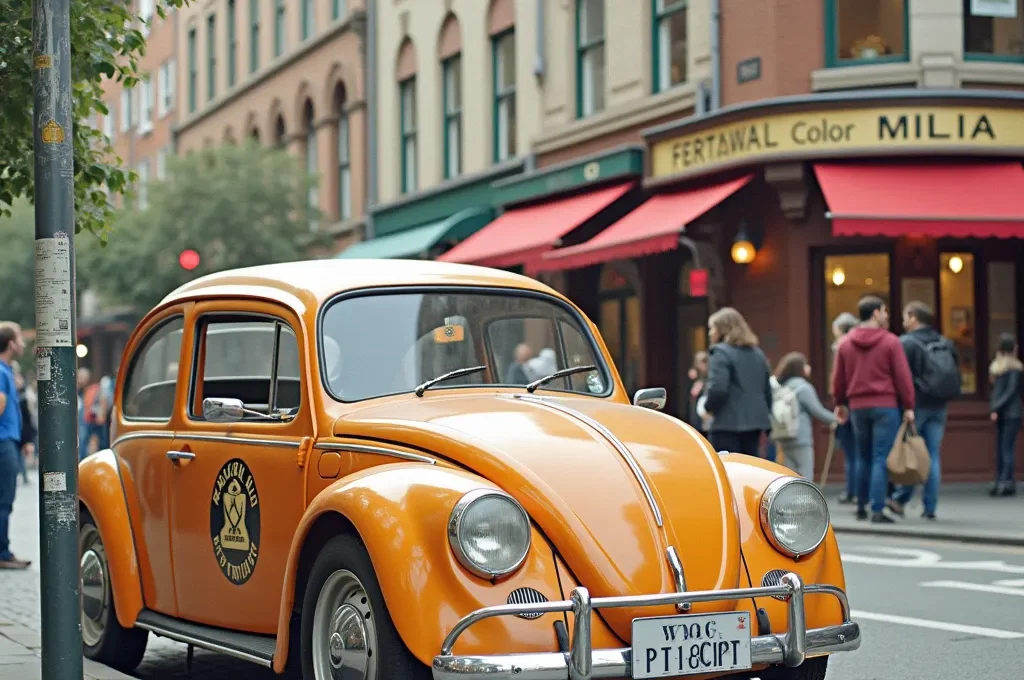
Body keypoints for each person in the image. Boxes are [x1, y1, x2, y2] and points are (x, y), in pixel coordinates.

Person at [832, 296, 915, 524]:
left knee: (862, 456)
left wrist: (840, 403)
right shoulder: (890, 342)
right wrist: (909, 405)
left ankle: (860, 506)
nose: (887, 315)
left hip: (857, 407)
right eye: (884, 311)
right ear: (876, 313)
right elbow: (902, 377)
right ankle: (877, 508)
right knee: (880, 457)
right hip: (885, 405)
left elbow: (838, 378)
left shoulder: (846, 344)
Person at [889, 301, 961, 519]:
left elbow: (901, 376)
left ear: (913, 317)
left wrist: (905, 405)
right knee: (932, 455)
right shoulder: (945, 342)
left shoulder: (906, 343)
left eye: (905, 316)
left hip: (915, 405)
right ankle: (930, 507)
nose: (903, 321)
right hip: (939, 405)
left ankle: (901, 497)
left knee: (912, 451)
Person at [703, 308, 772, 456]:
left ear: (723, 329)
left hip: (726, 424)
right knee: (750, 466)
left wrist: (707, 407)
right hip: (755, 423)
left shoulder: (719, 352)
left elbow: (718, 389)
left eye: (712, 328)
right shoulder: (758, 354)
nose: (710, 333)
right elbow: (767, 390)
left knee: (726, 467)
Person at [773, 352, 838, 480]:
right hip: (801, 437)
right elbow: (817, 411)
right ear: (799, 368)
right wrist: (836, 419)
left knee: (790, 476)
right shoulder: (804, 388)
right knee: (805, 475)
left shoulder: (781, 386)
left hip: (784, 435)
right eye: (806, 364)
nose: (809, 367)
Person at [0, 322, 30, 569]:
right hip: (3, 441)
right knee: (4, 499)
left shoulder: (6, 371)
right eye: (19, 339)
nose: (23, 343)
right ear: (10, 344)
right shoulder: (1, 372)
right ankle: (2, 553)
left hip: (8, 439)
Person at [831, 312, 860, 504]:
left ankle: (852, 490)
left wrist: (838, 403)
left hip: (847, 404)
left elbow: (838, 381)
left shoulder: (842, 348)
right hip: (863, 403)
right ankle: (860, 492)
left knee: (851, 453)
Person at [989, 332, 1021, 497]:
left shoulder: (1010, 369)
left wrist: (995, 408)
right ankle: (1003, 480)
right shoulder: (1007, 368)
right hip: (1008, 412)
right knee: (1002, 448)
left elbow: (1009, 392)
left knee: (1005, 448)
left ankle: (1005, 482)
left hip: (1010, 413)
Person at [686, 351, 709, 436]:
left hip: (706, 416)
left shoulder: (711, 377)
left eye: (705, 361)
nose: (703, 365)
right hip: (695, 417)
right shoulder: (695, 377)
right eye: (700, 362)